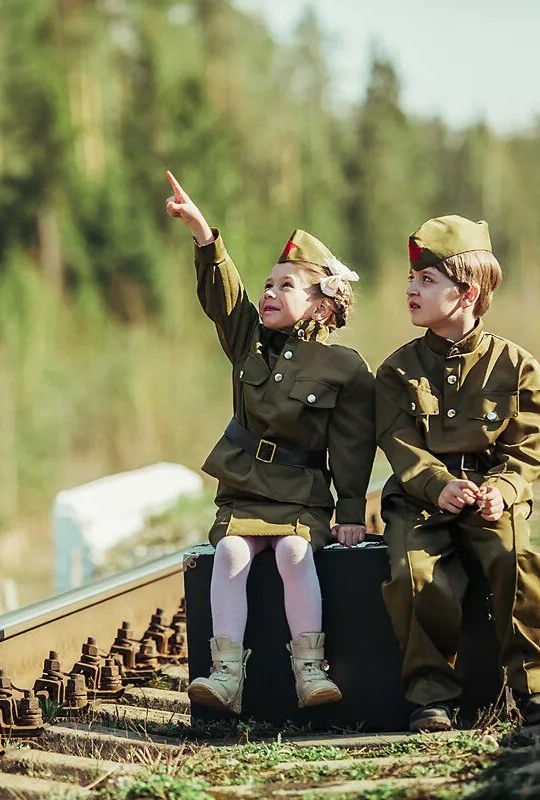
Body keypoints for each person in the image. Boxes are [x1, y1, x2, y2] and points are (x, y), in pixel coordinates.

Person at [163, 170, 375, 713]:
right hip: (245, 486)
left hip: (302, 494)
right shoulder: (249, 340)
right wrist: (204, 236)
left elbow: (352, 445)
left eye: (287, 286)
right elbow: (224, 297)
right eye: (268, 283)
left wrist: (351, 508)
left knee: (294, 554)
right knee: (229, 553)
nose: (270, 293)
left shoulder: (344, 368)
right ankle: (225, 676)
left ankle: (311, 672)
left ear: (324, 304)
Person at [375, 215, 540, 732]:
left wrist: (502, 491)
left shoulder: (516, 366)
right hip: (421, 502)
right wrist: (439, 488)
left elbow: (529, 444)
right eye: (411, 279)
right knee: (417, 576)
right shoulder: (397, 370)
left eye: (427, 281)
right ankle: (431, 697)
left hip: (492, 496)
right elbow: (400, 445)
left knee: (517, 559)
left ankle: (537, 686)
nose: (411, 291)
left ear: (466, 293)